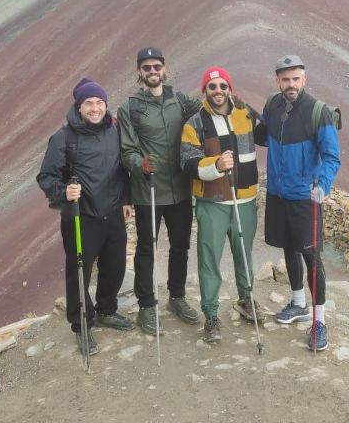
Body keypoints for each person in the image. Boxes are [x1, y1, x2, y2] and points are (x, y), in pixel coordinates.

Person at [36, 78, 135, 356]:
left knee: (115, 265)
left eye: (99, 103)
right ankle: (82, 324)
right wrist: (63, 191)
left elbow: (122, 169)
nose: (95, 108)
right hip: (81, 215)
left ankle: (106, 310)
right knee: (79, 271)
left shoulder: (115, 131)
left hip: (113, 211)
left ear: (106, 105)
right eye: (89, 103)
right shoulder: (64, 138)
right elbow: (46, 176)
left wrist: (126, 200)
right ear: (79, 107)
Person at [258, 55, 341, 351]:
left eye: (295, 79)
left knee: (311, 257)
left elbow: (331, 156)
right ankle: (298, 303)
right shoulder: (273, 106)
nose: (290, 84)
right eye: (285, 79)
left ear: (304, 80)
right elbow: (261, 135)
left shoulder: (318, 112)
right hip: (278, 194)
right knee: (289, 249)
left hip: (306, 198)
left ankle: (319, 321)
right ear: (277, 81)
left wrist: (323, 183)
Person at [118, 47, 202, 335]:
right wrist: (139, 163)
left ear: (164, 69)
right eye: (147, 68)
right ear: (139, 72)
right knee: (146, 249)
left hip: (180, 188)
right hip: (147, 190)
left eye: (156, 67)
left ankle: (176, 297)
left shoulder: (180, 100)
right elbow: (126, 149)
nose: (152, 72)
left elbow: (210, 109)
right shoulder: (129, 108)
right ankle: (146, 305)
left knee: (181, 246)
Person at [180, 66, 266, 343]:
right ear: (205, 91)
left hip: (245, 198)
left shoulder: (245, 114)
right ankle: (211, 315)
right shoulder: (194, 123)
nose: (218, 92)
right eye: (212, 87)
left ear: (230, 88)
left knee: (244, 253)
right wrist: (215, 165)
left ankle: (246, 299)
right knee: (210, 259)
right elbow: (187, 162)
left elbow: (270, 133)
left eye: (223, 86)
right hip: (213, 201)